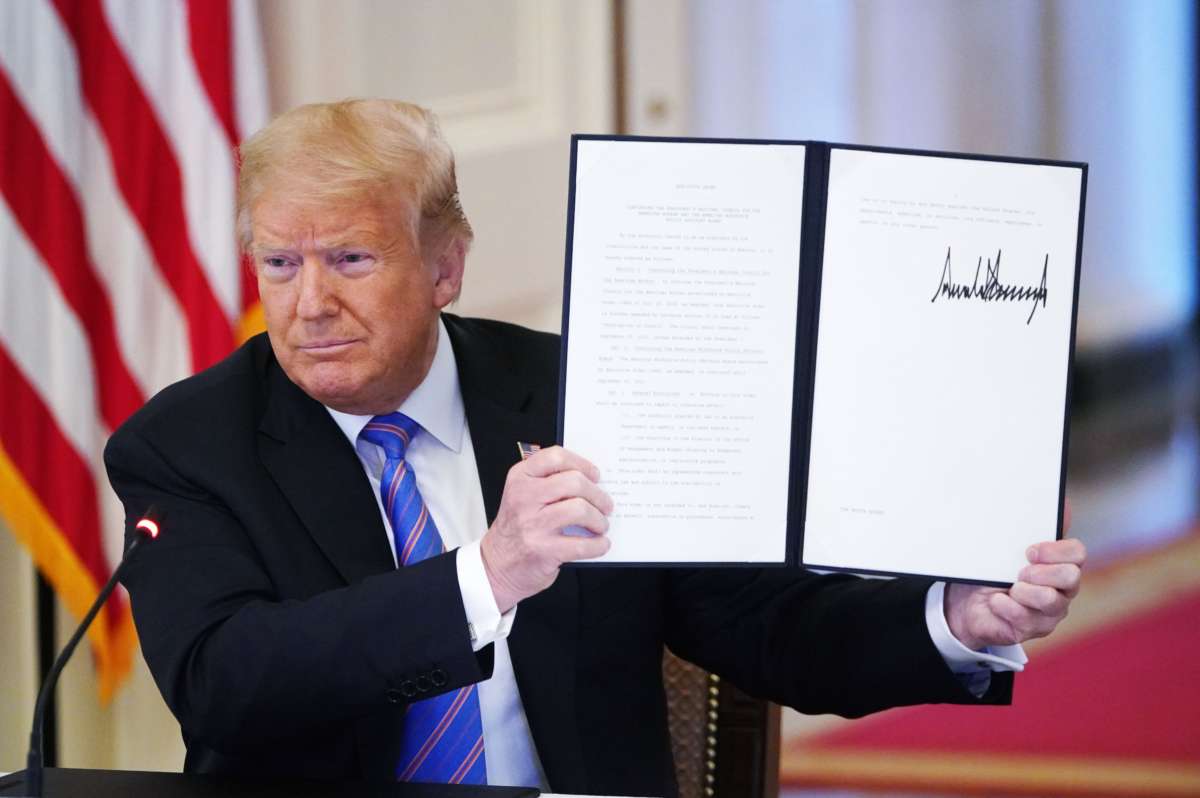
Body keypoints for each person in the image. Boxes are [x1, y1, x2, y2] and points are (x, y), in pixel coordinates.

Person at [104, 99, 1085, 797]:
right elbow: (225, 684)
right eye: (281, 263)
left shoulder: (590, 394)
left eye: (351, 259)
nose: (311, 302)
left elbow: (763, 625)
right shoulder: (189, 443)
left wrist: (956, 618)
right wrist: (486, 577)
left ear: (445, 263)